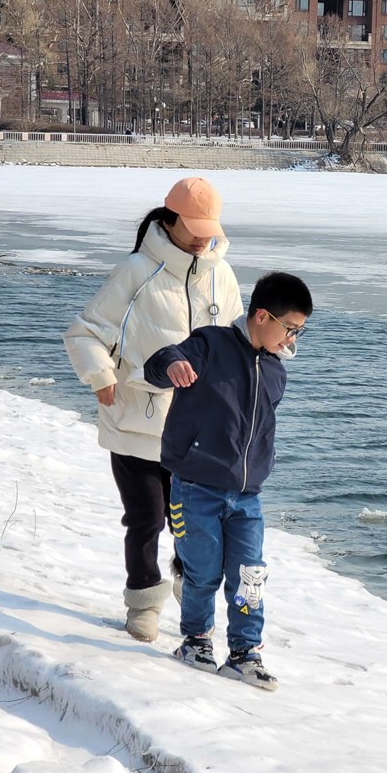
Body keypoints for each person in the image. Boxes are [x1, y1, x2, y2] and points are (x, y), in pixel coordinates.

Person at [64, 177, 243, 642]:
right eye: (194, 227)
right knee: (146, 518)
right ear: (171, 219)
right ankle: (143, 601)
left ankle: (190, 585)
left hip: (196, 430)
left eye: (208, 229)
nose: (202, 238)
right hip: (136, 421)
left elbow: (236, 344)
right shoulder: (136, 271)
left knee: (193, 522)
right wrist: (101, 376)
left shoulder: (221, 274)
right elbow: (85, 333)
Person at [143, 272, 313, 691]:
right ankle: (196, 640)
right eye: (290, 328)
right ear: (262, 316)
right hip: (194, 488)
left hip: (247, 496)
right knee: (202, 571)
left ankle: (244, 653)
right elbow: (159, 362)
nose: (292, 339)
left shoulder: (275, 371)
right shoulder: (211, 344)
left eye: (299, 331)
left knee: (249, 575)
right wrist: (172, 364)